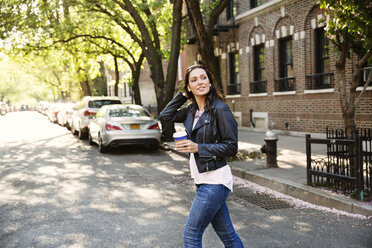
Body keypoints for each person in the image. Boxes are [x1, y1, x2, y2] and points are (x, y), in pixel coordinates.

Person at [160, 64, 244, 248]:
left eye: (204, 78)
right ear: (189, 86)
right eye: (194, 80)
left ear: (210, 82)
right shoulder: (191, 111)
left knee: (191, 235)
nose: (200, 82)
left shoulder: (219, 109)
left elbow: (231, 147)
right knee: (228, 237)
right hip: (203, 180)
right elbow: (165, 115)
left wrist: (199, 148)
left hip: (215, 181)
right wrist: (184, 95)